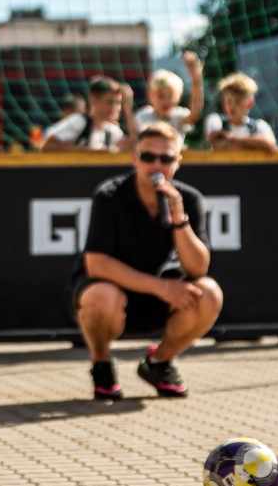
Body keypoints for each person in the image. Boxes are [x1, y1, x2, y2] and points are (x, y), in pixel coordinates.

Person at [69, 121, 222, 401]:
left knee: (209, 293)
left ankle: (159, 362)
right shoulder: (110, 195)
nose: (156, 165)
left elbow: (198, 268)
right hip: (113, 292)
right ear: (135, 159)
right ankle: (101, 363)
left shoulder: (187, 198)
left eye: (166, 159)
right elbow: (97, 264)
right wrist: (163, 288)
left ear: (178, 162)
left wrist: (179, 219)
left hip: (159, 296)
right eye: (148, 157)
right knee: (101, 297)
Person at [40, 75, 134, 152]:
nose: (115, 108)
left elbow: (134, 147)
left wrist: (128, 109)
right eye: (110, 102)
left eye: (118, 103)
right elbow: (46, 145)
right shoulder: (79, 121)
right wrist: (86, 150)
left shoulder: (110, 130)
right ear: (94, 99)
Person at [131, 51, 204, 147]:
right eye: (160, 95)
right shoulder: (143, 115)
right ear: (151, 95)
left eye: (171, 96)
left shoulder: (179, 114)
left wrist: (196, 79)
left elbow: (194, 115)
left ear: (179, 97)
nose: (165, 101)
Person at [205, 72, 278, 156]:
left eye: (238, 101)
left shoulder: (259, 125)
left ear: (250, 103)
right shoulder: (215, 121)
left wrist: (232, 138)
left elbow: (270, 143)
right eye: (229, 101)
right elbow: (218, 146)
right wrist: (255, 145)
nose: (232, 106)